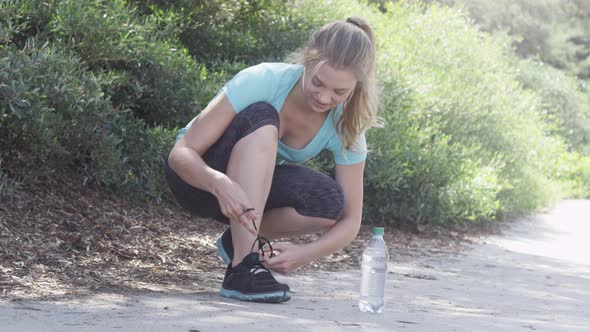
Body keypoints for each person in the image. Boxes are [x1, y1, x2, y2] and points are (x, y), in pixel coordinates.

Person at [165, 16, 379, 303]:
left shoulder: (347, 126)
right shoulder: (264, 80)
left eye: (340, 92)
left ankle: (239, 243)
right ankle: (242, 270)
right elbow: (181, 153)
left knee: (327, 202)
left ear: (356, 87)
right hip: (197, 180)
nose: (324, 98)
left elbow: (351, 220)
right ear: (307, 59)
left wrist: (305, 254)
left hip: (245, 198)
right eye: (317, 82)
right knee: (264, 116)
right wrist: (219, 183)